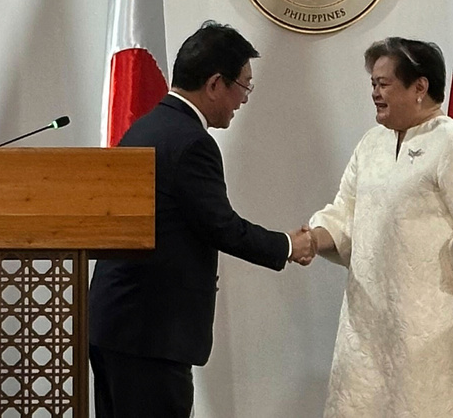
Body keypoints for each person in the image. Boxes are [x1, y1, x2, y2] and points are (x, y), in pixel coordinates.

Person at [88, 21, 315, 418]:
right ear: (215, 84)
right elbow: (220, 225)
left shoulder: (144, 128)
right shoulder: (193, 143)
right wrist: (288, 245)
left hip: (116, 326)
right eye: (243, 87)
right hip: (151, 336)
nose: (243, 101)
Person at [307, 37, 453, 417]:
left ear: (420, 87)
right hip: (369, 329)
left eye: (384, 84)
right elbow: (344, 216)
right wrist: (308, 240)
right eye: (373, 84)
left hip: (433, 332)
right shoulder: (371, 145)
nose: (375, 93)